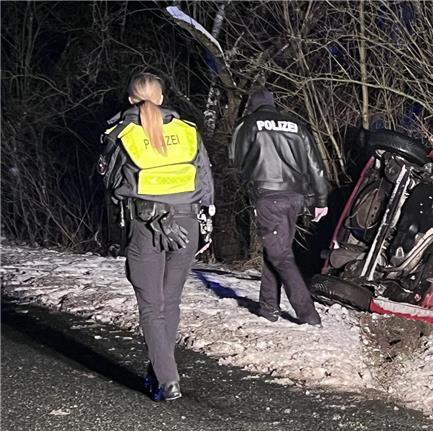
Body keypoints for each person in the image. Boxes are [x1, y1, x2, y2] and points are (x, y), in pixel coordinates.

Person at [97, 72, 215, 401]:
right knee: (170, 302)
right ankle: (161, 372)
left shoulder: (119, 133)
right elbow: (205, 183)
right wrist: (204, 221)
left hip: (144, 224)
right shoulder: (188, 131)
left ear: (130, 99)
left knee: (151, 307)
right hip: (187, 223)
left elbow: (110, 185)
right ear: (162, 98)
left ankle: (168, 379)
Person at [229, 90, 329, 326]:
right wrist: (320, 201)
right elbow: (316, 166)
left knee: (281, 255)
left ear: (253, 107)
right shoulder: (296, 125)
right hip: (295, 198)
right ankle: (268, 307)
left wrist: (249, 189)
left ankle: (308, 314)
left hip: (268, 196)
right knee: (276, 251)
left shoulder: (248, 124)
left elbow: (236, 163)